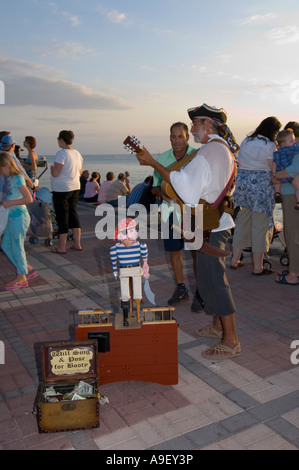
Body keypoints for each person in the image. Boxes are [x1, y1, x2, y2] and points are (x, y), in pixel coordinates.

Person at [136, 103, 241, 360]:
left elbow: (186, 188)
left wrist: (151, 161)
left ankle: (231, 340)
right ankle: (218, 327)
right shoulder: (217, 149)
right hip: (209, 221)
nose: (192, 129)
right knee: (207, 278)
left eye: (194, 124)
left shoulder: (209, 152)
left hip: (210, 225)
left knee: (215, 280)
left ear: (207, 125)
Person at [151, 122, 201, 310]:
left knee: (196, 252)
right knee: (174, 251)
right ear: (170, 137)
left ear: (187, 137)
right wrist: (160, 193)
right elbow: (155, 184)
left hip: (192, 210)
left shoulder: (197, 156)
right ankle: (181, 289)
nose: (177, 140)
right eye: (173, 136)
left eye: (181, 136)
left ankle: (200, 291)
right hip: (169, 210)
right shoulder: (163, 158)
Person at [230, 117, 282, 275]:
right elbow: (272, 168)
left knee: (242, 223)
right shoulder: (269, 145)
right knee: (260, 226)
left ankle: (234, 260)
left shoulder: (247, 141)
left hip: (244, 186)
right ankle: (257, 267)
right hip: (260, 188)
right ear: (273, 130)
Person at [0, 152, 38, 290]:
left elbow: (29, 199)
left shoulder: (17, 178)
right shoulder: (6, 179)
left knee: (17, 246)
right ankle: (25, 268)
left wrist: (8, 203)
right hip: (11, 217)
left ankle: (21, 277)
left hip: (19, 217)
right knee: (6, 244)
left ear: (7, 165)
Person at [50, 130, 83, 254]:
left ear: (61, 140)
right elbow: (80, 172)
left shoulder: (61, 153)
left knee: (62, 216)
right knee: (73, 213)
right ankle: (77, 244)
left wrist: (52, 168)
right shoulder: (77, 154)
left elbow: (55, 173)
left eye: (58, 139)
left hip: (61, 189)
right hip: (75, 187)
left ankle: (62, 247)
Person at [273, 146, 299, 285]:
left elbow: (293, 170)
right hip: (290, 194)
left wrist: (275, 175)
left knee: (292, 235)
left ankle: (294, 273)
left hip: (291, 196)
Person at [271, 129, 299, 209]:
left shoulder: (276, 152)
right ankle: (298, 202)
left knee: (277, 183)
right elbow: (295, 169)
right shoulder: (292, 149)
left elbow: (274, 163)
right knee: (297, 187)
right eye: (291, 141)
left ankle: (277, 193)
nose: (294, 143)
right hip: (288, 176)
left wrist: (274, 174)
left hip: (280, 174)